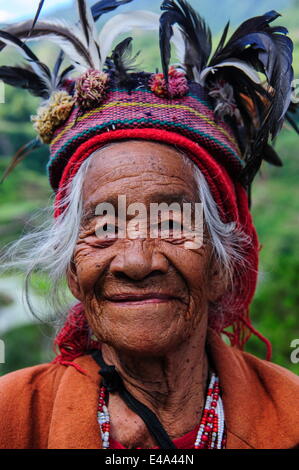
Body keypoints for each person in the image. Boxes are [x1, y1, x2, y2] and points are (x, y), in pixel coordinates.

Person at [0, 0, 298, 449]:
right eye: (103, 227)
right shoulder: (13, 418)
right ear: (71, 270)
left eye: (173, 222)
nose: (137, 261)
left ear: (222, 264)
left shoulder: (290, 416)